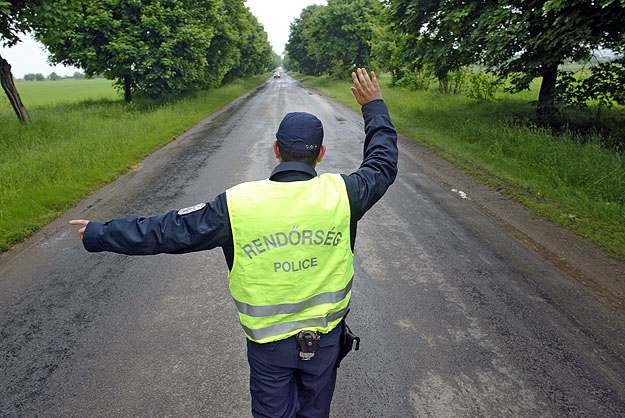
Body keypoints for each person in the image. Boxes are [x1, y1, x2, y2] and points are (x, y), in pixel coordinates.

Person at [70, 68, 398, 418]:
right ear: (321, 154)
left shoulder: (237, 204)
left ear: (276, 150)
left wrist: (100, 233)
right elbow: (382, 164)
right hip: (325, 341)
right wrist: (374, 106)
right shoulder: (343, 195)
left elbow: (167, 230)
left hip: (268, 349)